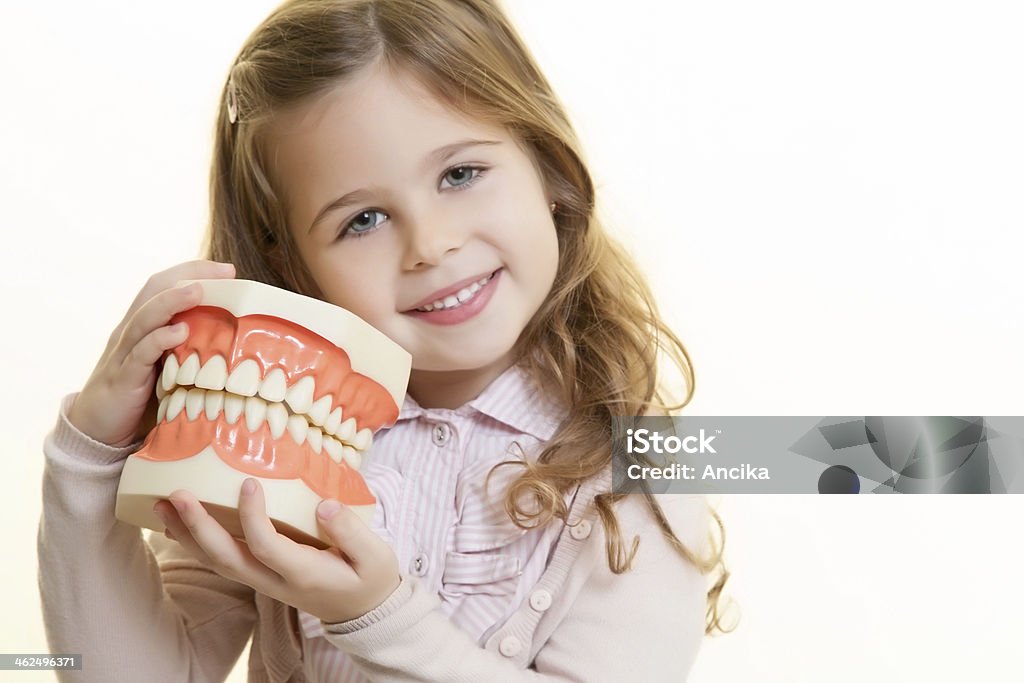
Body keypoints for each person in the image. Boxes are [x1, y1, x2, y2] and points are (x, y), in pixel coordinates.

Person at [38, 0, 730, 680]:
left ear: (548, 165)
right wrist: (87, 458)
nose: (430, 244)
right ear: (289, 264)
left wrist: (376, 616)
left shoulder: (650, 470)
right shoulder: (270, 439)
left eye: (460, 174)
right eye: (363, 219)